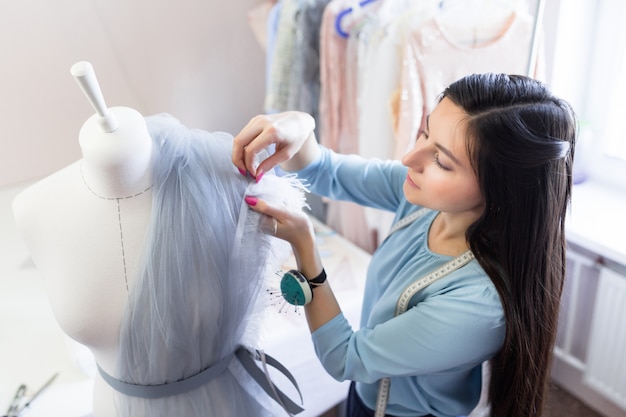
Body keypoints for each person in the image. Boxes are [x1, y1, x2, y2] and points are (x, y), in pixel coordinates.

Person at [232, 73, 576, 417]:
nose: (411, 157)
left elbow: (345, 358)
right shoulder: (426, 198)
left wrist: (304, 245)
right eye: (425, 132)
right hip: (366, 394)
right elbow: (324, 171)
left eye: (441, 160)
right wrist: (300, 125)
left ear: (501, 190)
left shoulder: (476, 306)